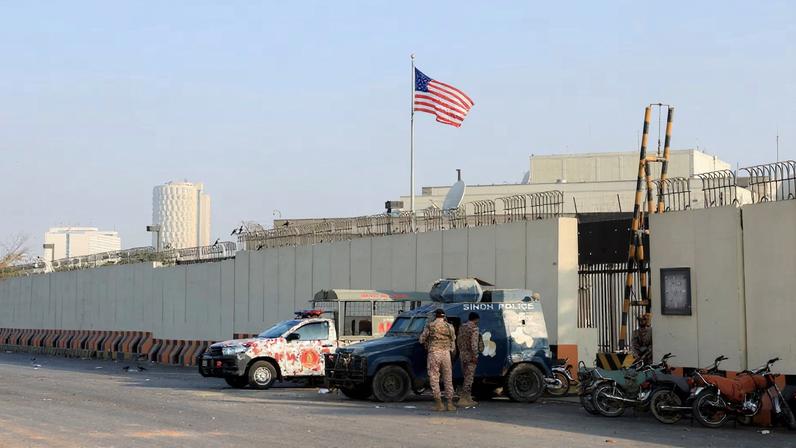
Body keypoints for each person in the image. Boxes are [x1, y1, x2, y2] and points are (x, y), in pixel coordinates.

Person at [419, 308, 457, 411]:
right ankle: (450, 404)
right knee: (448, 378)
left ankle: (439, 404)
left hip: (434, 353)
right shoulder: (449, 326)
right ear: (444, 316)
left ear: (435, 315)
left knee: (434, 378)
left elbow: (421, 340)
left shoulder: (430, 326)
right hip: (446, 354)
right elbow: (453, 342)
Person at [456, 312, 483, 408]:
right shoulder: (474, 329)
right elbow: (474, 344)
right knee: (469, 377)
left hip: (462, 355)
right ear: (476, 319)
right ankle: (464, 398)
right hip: (470, 356)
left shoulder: (462, 327)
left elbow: (458, 341)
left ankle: (467, 398)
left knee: (465, 376)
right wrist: (475, 356)